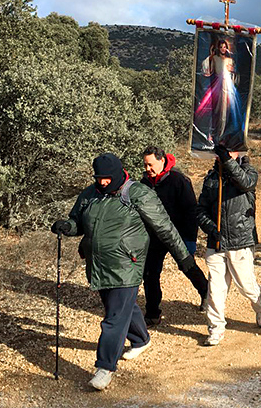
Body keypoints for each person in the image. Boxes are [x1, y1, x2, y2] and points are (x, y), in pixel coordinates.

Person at [51, 153, 197, 391]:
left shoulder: (137, 193)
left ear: (118, 174)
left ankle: (104, 367)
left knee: (114, 319)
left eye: (107, 178)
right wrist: (67, 227)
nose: (103, 182)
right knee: (119, 308)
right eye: (99, 178)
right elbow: (77, 221)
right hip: (99, 265)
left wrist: (184, 257)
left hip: (128, 265)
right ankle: (141, 339)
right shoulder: (90, 195)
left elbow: (165, 228)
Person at [195, 145, 261, 347]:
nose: (225, 155)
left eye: (231, 152)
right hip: (216, 242)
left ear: (240, 153)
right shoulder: (211, 178)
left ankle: (260, 304)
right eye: (223, 153)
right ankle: (216, 328)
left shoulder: (248, 172)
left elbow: (245, 183)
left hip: (240, 240)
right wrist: (210, 227)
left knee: (246, 286)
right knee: (215, 289)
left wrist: (228, 161)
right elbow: (200, 209)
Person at [140, 147, 209, 326]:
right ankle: (152, 312)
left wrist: (190, 240)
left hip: (178, 234)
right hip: (154, 237)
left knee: (188, 266)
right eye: (145, 165)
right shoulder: (144, 183)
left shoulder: (179, 181)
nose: (148, 169)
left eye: (151, 164)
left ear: (162, 160)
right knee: (150, 273)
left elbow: (190, 211)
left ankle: (206, 294)